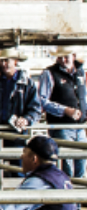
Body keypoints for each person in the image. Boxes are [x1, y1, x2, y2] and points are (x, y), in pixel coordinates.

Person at [38, 47, 86, 179]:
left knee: (82, 164)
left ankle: (78, 197)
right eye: (60, 57)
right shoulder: (49, 73)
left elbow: (84, 96)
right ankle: (67, 196)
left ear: (74, 56)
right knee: (67, 166)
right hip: (61, 126)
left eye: (66, 56)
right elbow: (42, 101)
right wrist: (65, 110)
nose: (63, 60)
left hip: (80, 126)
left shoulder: (80, 72)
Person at [0, 48, 40, 133]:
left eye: (6, 61)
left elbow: (35, 108)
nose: (3, 64)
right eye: (1, 61)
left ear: (15, 61)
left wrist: (26, 119)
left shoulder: (28, 83)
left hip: (17, 131)